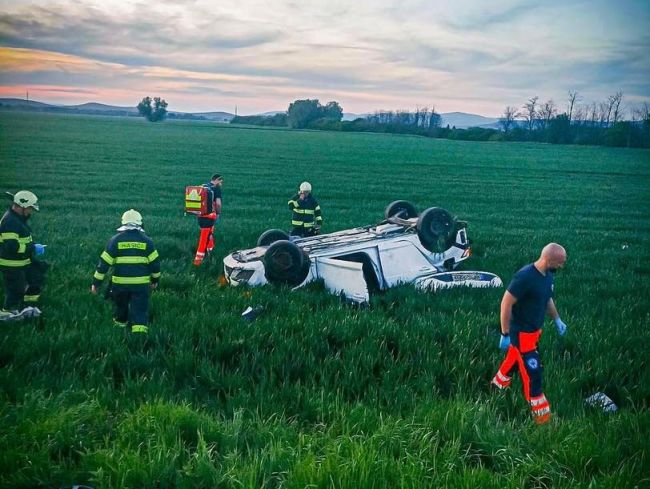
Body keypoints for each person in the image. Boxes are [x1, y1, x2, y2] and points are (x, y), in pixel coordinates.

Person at [491, 243, 568, 425]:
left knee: (512, 361)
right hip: (521, 334)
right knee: (533, 374)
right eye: (560, 262)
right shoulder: (525, 276)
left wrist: (557, 319)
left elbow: (547, 298)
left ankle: (496, 386)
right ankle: (543, 418)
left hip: (533, 333)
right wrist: (505, 333)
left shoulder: (548, 276)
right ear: (549, 259)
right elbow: (506, 303)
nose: (561, 266)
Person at [91, 209, 160, 334]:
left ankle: (119, 331)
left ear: (123, 223)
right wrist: (155, 280)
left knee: (120, 309)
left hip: (120, 285)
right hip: (140, 286)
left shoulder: (115, 241)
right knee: (140, 310)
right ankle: (139, 338)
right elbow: (155, 265)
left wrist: (96, 283)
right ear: (140, 223)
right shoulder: (147, 241)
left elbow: (103, 265)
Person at [0, 190, 47, 321]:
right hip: (11, 264)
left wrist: (34, 245)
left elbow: (22, 240)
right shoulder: (10, 222)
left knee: (35, 278)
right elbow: (12, 247)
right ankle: (7, 312)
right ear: (21, 206)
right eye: (30, 208)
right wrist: (32, 248)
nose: (30, 212)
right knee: (16, 288)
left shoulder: (17, 219)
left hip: (22, 261)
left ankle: (28, 307)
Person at [193, 173, 223, 266]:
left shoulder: (203, 186)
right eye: (221, 181)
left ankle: (210, 250)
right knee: (204, 238)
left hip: (200, 216)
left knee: (209, 234)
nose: (221, 184)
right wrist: (218, 213)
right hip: (210, 217)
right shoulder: (216, 188)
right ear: (217, 180)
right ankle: (198, 261)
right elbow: (218, 204)